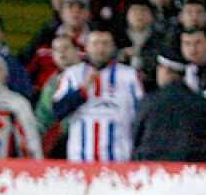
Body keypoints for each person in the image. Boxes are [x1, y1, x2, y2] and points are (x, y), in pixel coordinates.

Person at [48, 26, 144, 163]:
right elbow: (57, 111)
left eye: (105, 43)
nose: (101, 48)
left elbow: (140, 115)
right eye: (95, 43)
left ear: (113, 47)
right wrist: (83, 88)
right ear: (86, 47)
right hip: (80, 160)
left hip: (119, 160)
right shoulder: (72, 74)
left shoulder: (129, 76)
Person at [133, 45, 206, 163]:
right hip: (193, 172)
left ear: (165, 71)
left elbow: (137, 139)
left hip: (155, 172)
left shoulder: (148, 103)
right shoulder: (203, 105)